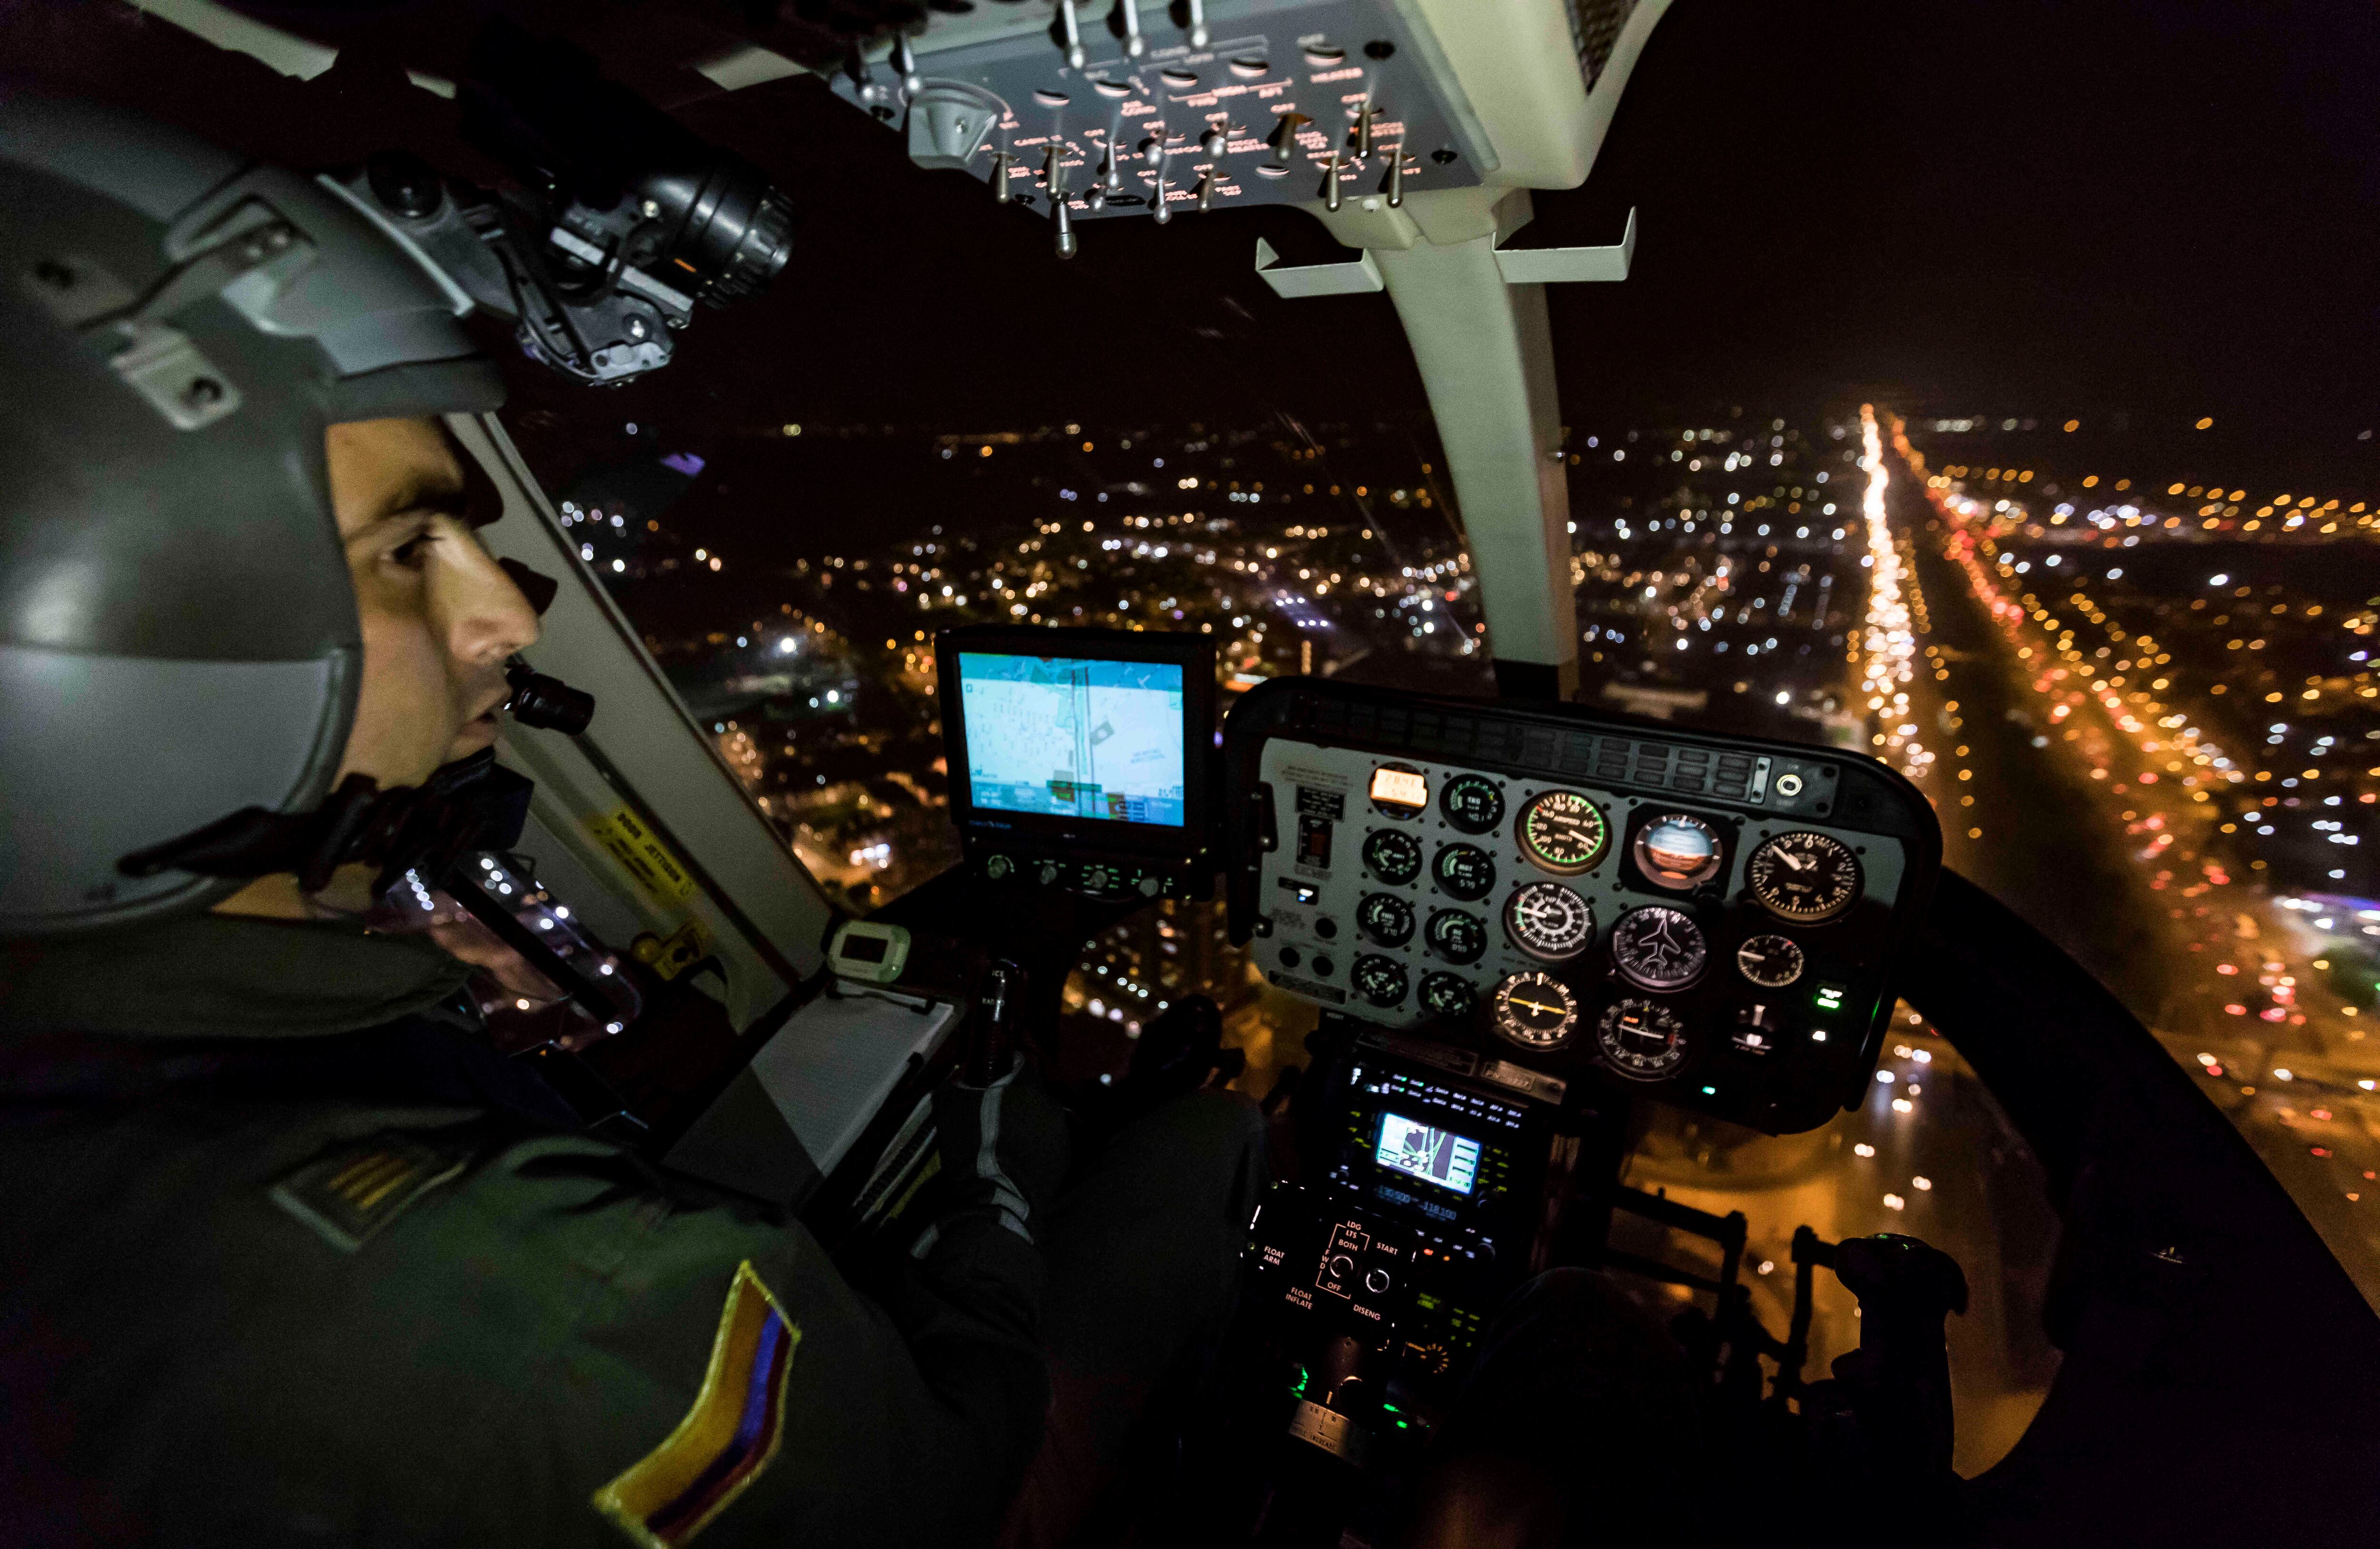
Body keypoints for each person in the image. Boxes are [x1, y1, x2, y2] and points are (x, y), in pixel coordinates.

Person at [0, 92, 1264, 1548]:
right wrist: (986, 1200)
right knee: (1204, 1138)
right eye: (411, 548)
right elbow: (951, 1490)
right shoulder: (539, 1282)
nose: (504, 614)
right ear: (115, 664)